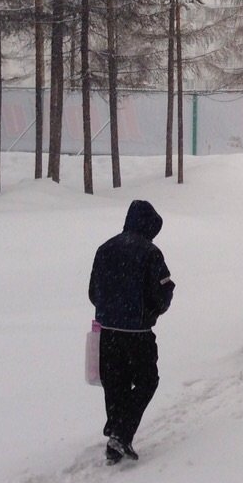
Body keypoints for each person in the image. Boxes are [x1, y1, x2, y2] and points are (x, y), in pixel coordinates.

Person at [88, 199, 175, 465]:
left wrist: (107, 310)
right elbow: (161, 292)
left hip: (107, 329)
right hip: (137, 331)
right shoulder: (150, 253)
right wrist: (152, 311)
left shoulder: (105, 248)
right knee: (148, 379)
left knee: (115, 383)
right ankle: (122, 433)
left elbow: (93, 291)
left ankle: (115, 434)